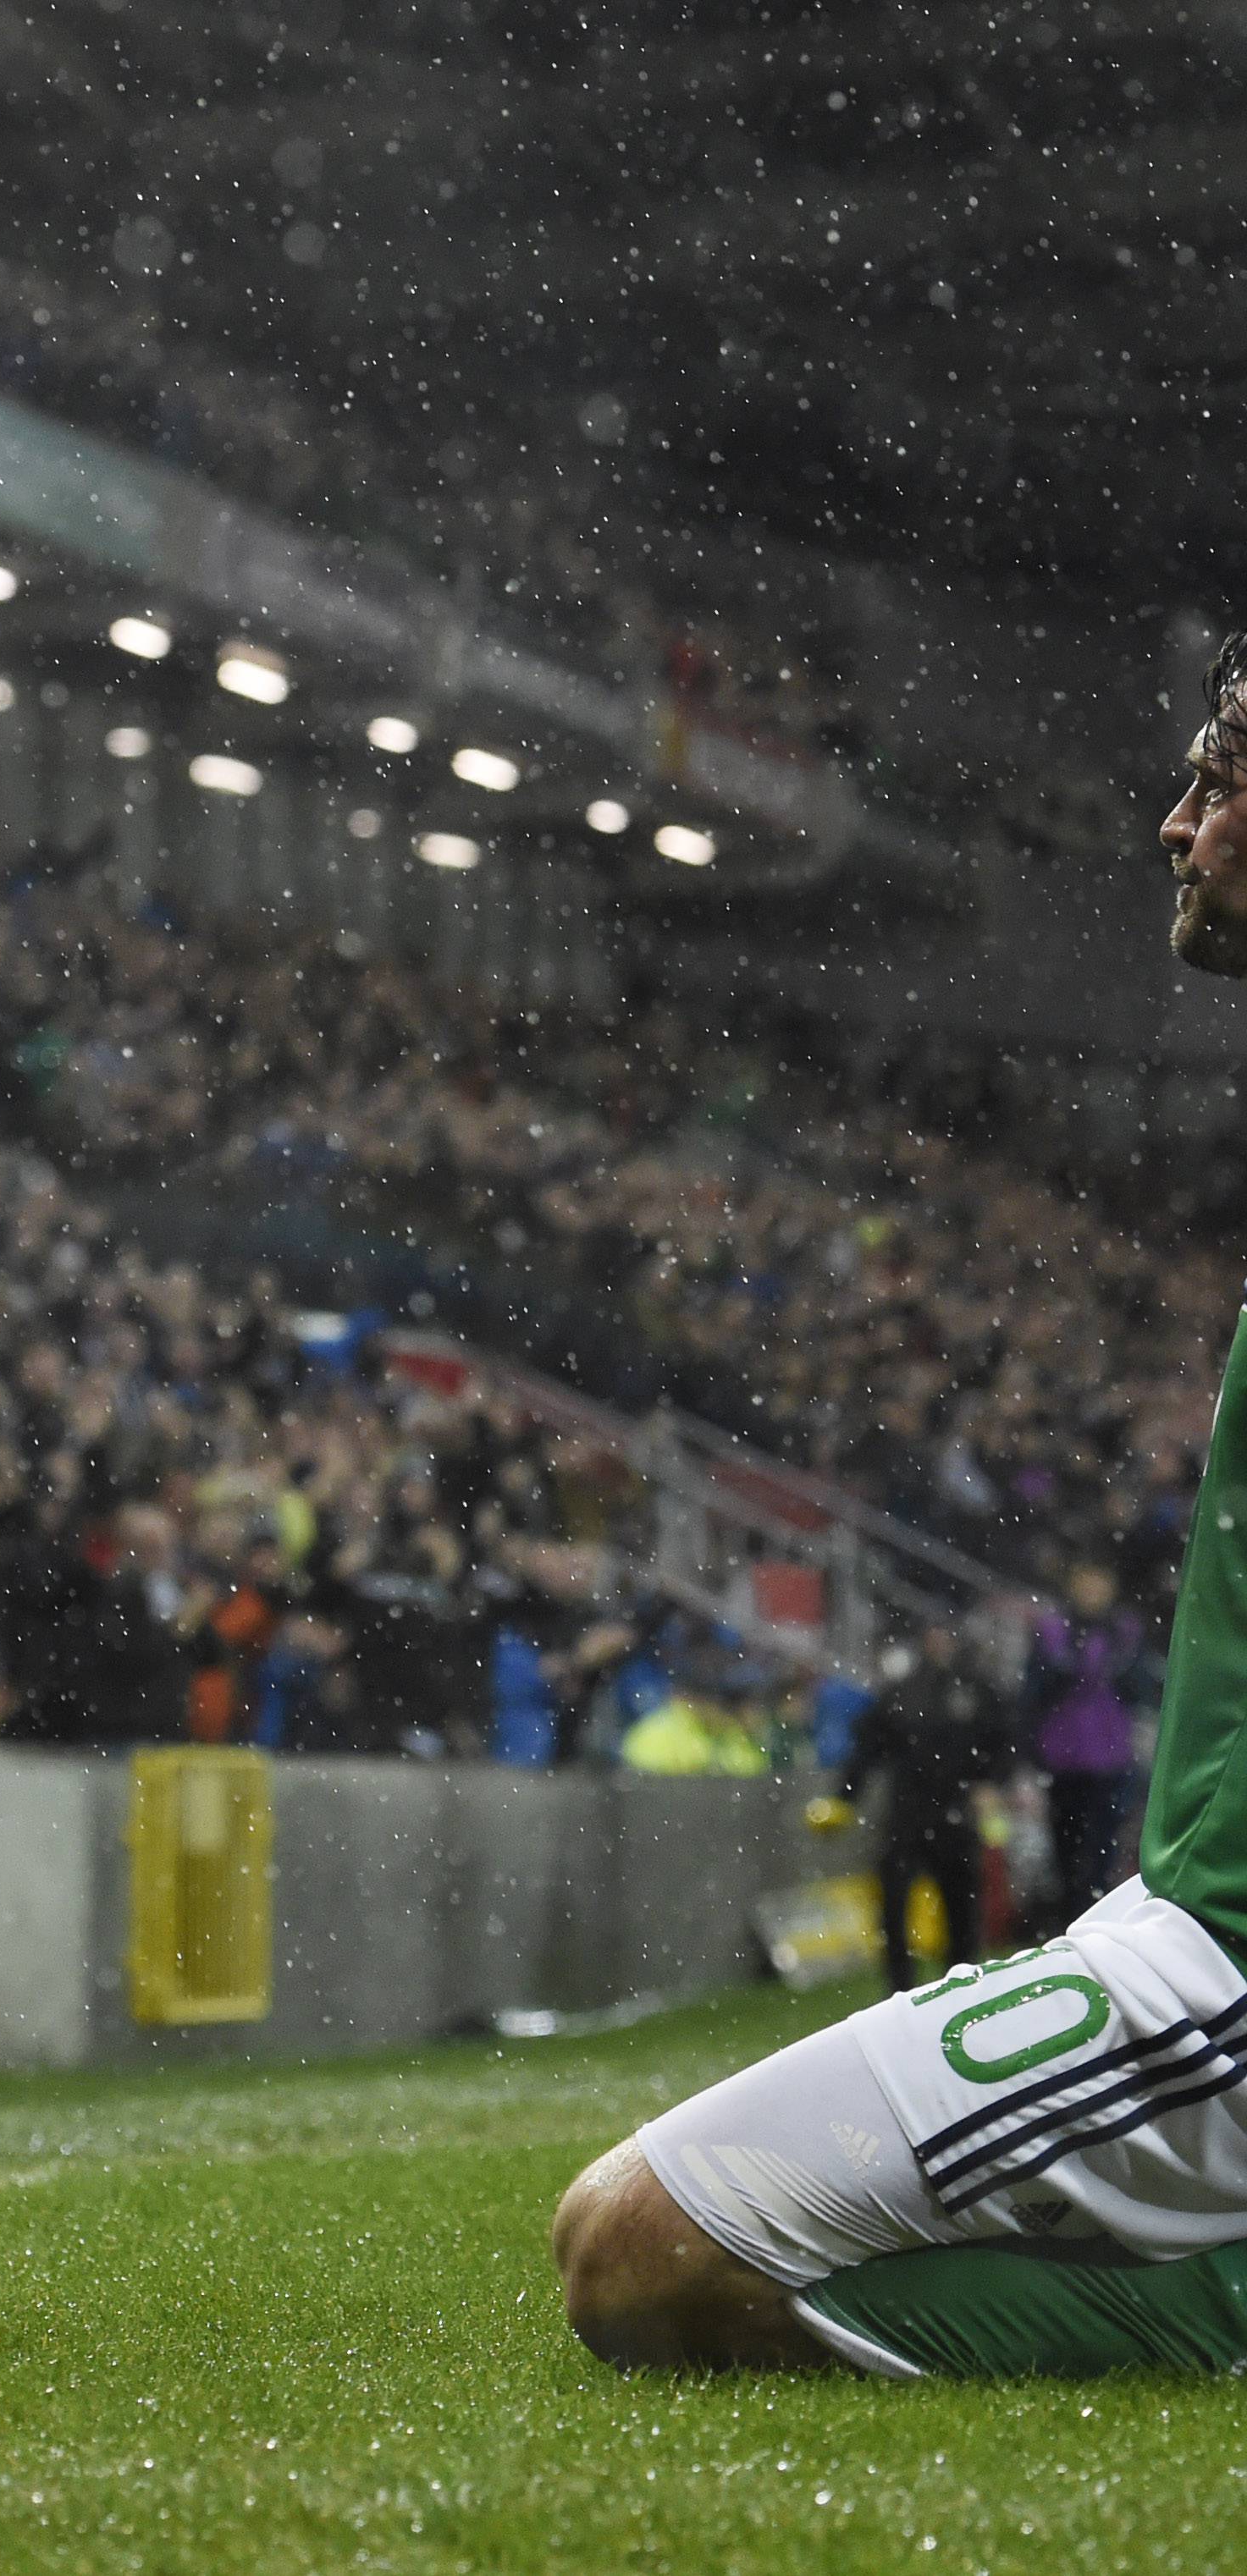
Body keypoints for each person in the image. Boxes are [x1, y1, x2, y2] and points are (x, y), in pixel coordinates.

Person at [550, 633, 1247, 2378]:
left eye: (1222, 776)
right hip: (1183, 1919)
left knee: (640, 2253)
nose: (1177, 822)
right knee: (623, 2240)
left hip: (1228, 1960)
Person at [829, 1620, 1012, 1991]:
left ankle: (959, 1985)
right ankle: (900, 1988)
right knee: (895, 1905)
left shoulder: (977, 1691)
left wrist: (992, 1783)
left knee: (960, 1906)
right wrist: (845, 1796)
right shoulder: (903, 1691)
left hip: (956, 1810)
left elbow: (1003, 1742)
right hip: (910, 1811)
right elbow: (869, 1747)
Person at [1027, 1561, 1142, 1925]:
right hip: (1064, 1761)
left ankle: (1097, 1925)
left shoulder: (1125, 1633)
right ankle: (1071, 1924)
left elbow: (1139, 1689)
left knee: (1103, 1852)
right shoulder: (1053, 1632)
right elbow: (1033, 1695)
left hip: (1110, 1760)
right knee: (1065, 1852)